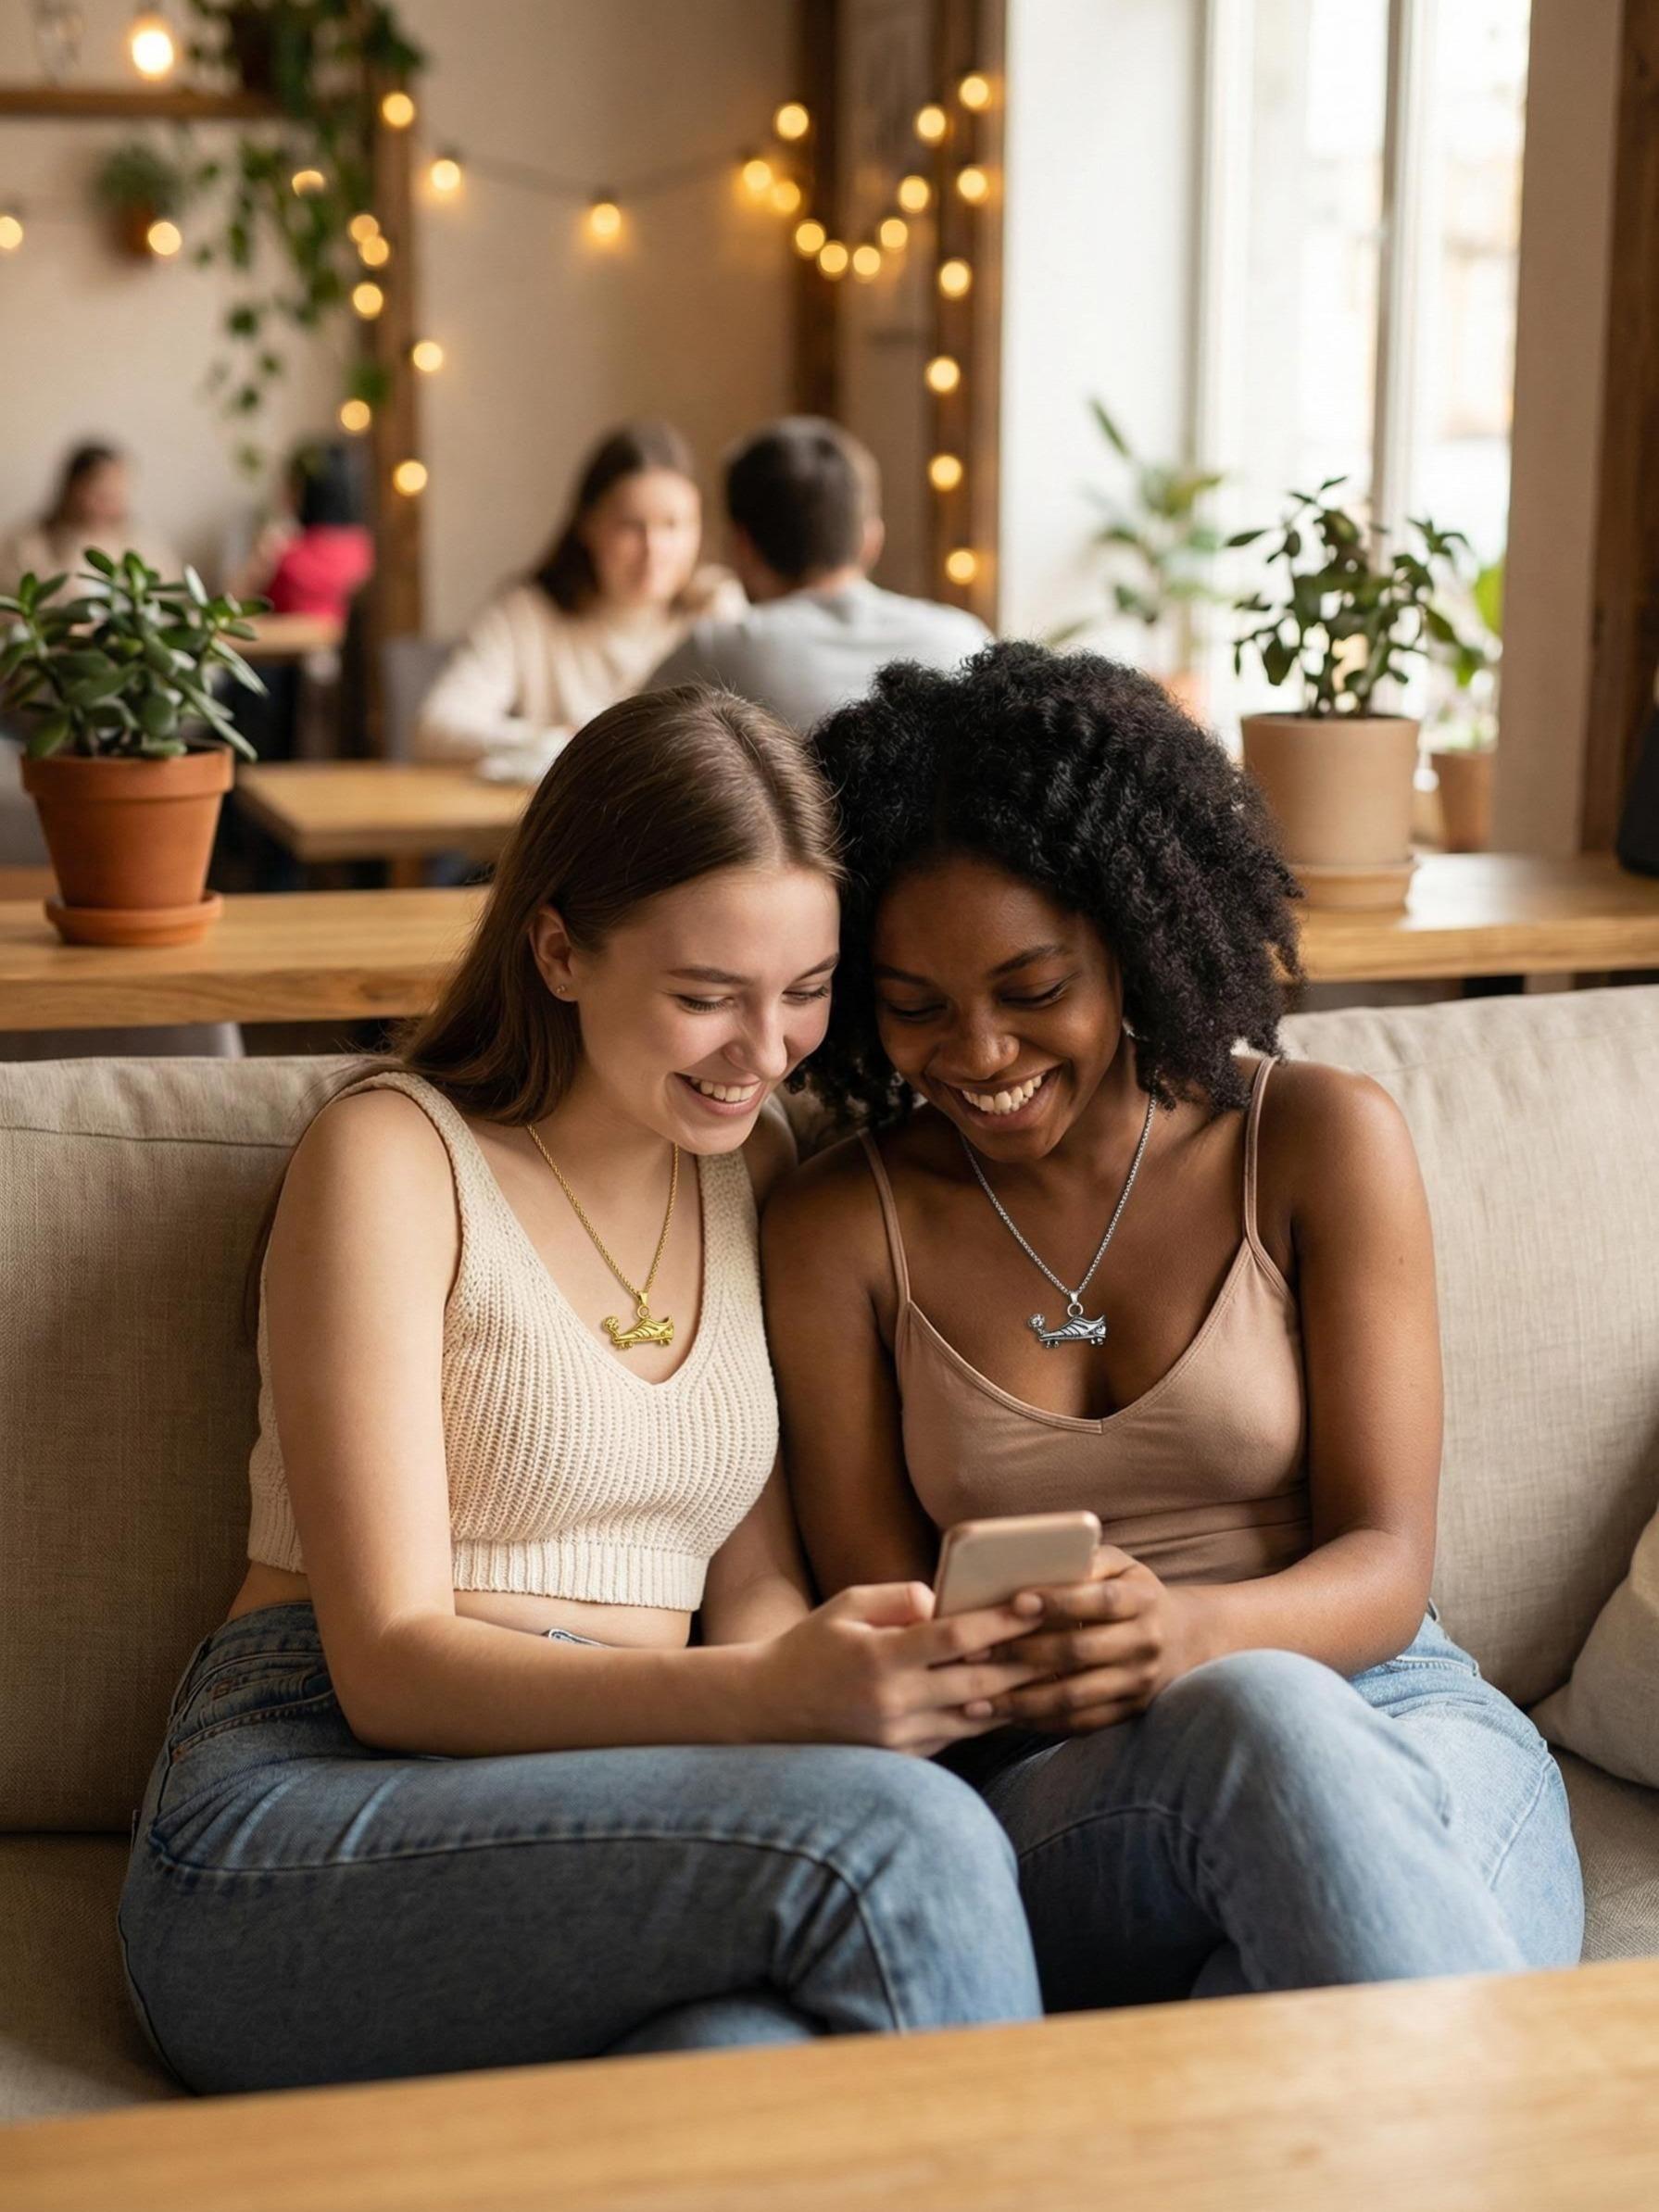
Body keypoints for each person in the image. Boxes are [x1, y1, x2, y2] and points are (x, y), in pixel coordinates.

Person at [118, 685, 1044, 2094]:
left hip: (619, 1791)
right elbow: (386, 1665)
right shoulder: (391, 1159)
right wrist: (764, 1705)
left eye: (803, 993)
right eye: (703, 997)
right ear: (557, 948)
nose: (766, 1050)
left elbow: (745, 1576)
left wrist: (833, 1667)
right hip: (301, 1806)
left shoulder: (759, 1164)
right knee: (897, 1841)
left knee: (737, 2064)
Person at [764, 641, 1584, 2010]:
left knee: (1267, 2002)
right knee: (1259, 1727)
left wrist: (1189, 1633)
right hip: (1057, 1788)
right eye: (914, 1009)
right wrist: (1082, 1671)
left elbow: (1385, 1563)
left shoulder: (1316, 1141)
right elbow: (884, 1622)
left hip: (1399, 1714)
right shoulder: (839, 1227)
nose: (975, 1055)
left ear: (1136, 938)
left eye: (1032, 991)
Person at [416, 422, 741, 776]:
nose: (654, 549)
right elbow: (437, 727)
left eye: (673, 525)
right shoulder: (527, 613)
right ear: (588, 525)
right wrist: (554, 741)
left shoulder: (716, 606)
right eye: (632, 526)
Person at [647, 418, 990, 730]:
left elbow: (610, 767)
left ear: (741, 546)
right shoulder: (968, 642)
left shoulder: (712, 655)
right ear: (871, 540)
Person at [0, 442, 178, 597]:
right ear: (71, 489)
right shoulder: (25, 546)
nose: (109, 505)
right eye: (100, 495)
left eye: (117, 495)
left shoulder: (144, 545)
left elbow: (170, 595)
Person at [227, 438, 373, 626]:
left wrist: (263, 557)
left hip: (271, 647)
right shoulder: (358, 546)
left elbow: (231, 603)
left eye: (291, 484)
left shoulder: (285, 548)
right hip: (325, 650)